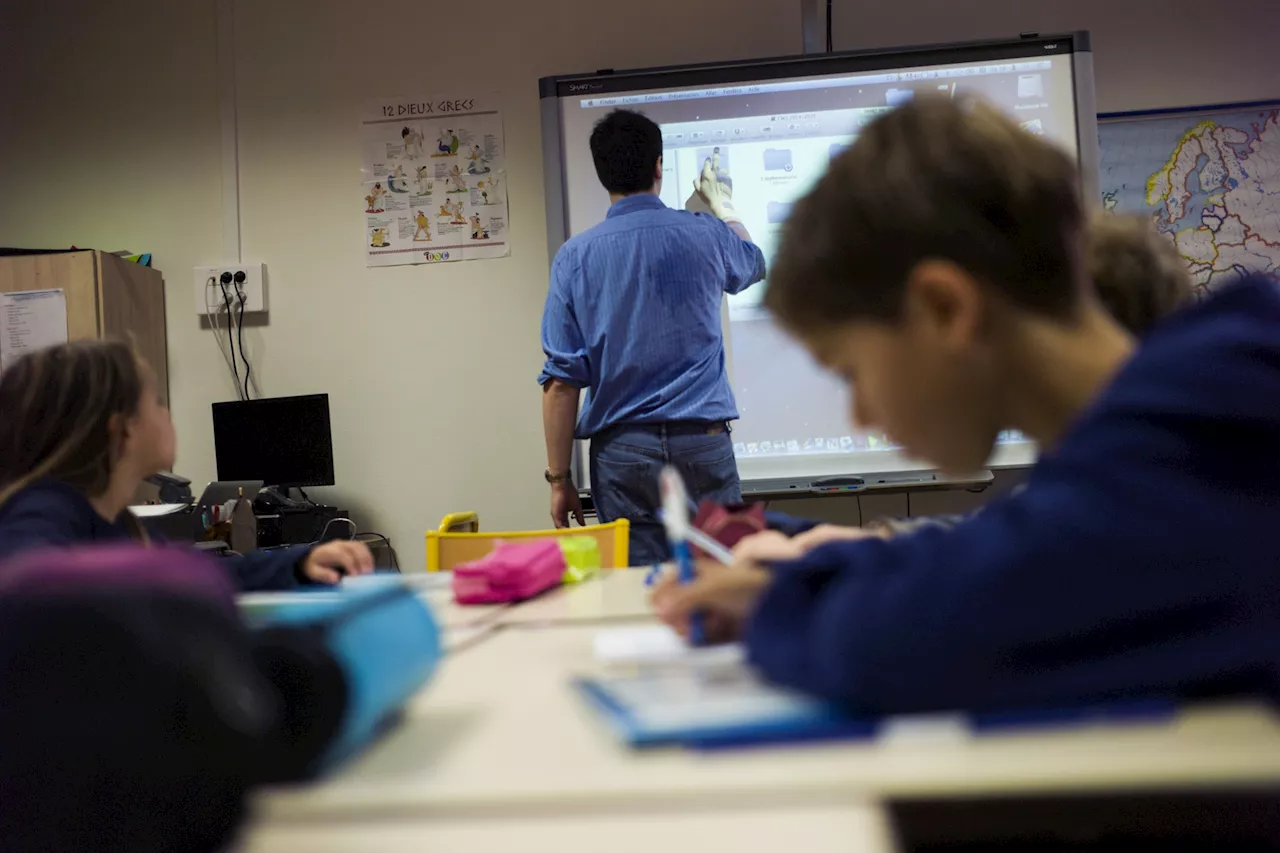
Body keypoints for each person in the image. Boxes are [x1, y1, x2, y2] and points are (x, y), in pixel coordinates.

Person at [654, 96, 1280, 714]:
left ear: (945, 309)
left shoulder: (1212, 434)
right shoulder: (1180, 420)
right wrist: (795, 582)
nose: (861, 417)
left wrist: (775, 607)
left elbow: (906, 638)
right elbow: (1003, 551)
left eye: (852, 373)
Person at [760, 211, 1198, 549]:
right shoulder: (1148, 457)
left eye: (852, 372)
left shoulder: (1168, 495)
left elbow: (1026, 561)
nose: (860, 416)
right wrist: (884, 542)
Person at [539, 108, 767, 564]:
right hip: (702, 442)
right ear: (659, 166)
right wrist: (723, 207)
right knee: (722, 583)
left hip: (623, 453)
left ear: (602, 172)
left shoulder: (574, 257)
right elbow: (754, 262)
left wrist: (560, 480)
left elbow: (562, 383)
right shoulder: (707, 235)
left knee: (640, 595)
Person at [0, 340, 374, 589]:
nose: (168, 414)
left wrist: (299, 563)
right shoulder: (45, 507)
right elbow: (26, 583)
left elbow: (200, 573)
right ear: (121, 431)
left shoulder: (115, 521)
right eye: (158, 402)